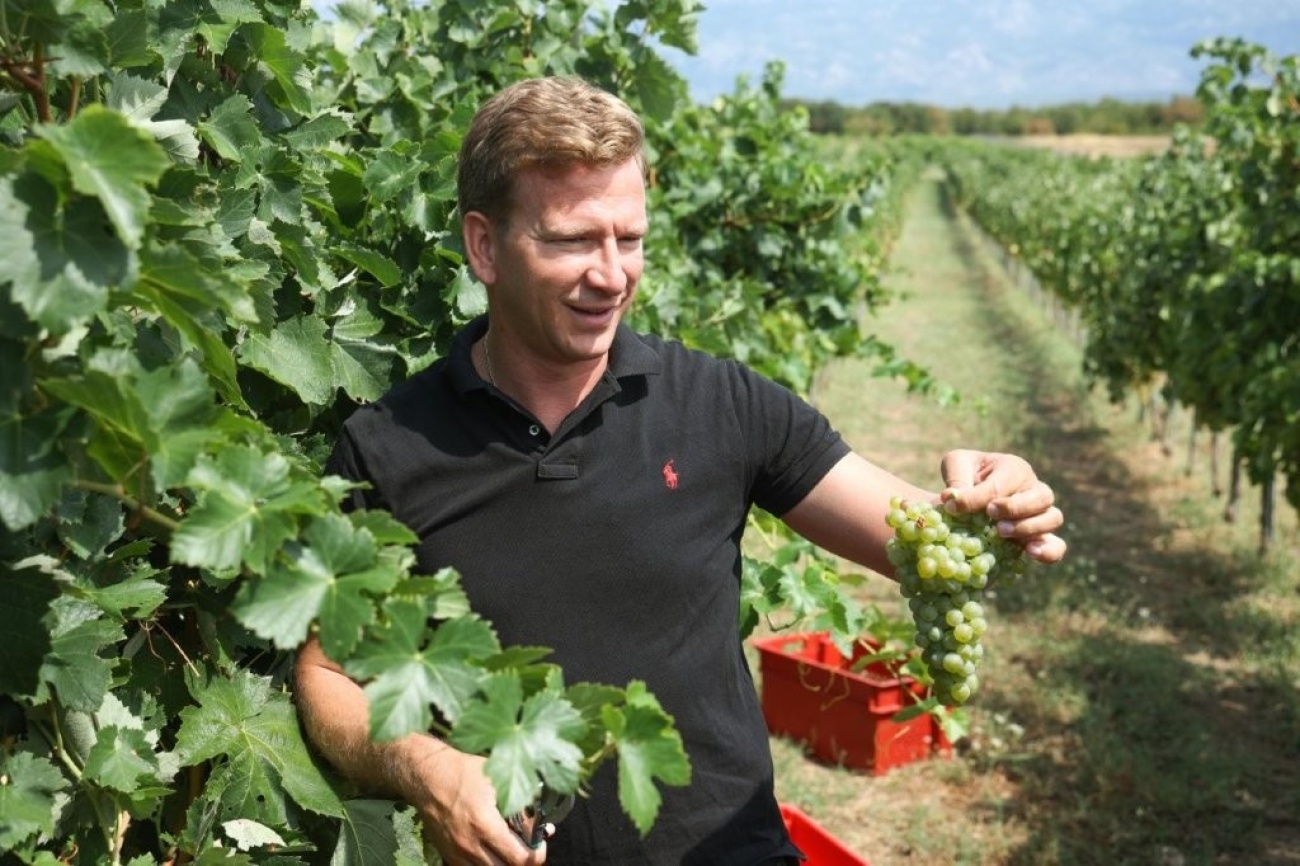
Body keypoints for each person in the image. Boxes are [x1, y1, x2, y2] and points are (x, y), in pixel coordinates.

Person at [292, 75, 1066, 866]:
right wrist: (424, 767)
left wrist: (990, 506)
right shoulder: (388, 448)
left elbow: (917, 539)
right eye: (572, 241)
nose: (611, 275)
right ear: (484, 246)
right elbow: (325, 674)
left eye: (629, 239)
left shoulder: (721, 404)